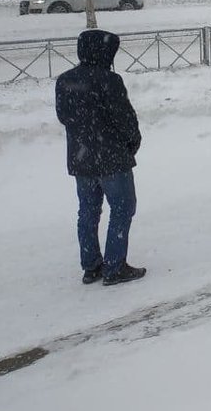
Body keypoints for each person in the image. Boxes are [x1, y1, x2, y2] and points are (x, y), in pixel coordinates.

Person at [55, 30, 145, 286]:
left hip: (81, 157)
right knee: (122, 208)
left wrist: (85, 134)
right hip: (111, 157)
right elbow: (125, 118)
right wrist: (132, 141)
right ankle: (115, 267)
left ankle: (91, 265)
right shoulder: (109, 80)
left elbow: (63, 116)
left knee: (88, 211)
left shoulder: (64, 80)